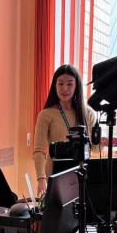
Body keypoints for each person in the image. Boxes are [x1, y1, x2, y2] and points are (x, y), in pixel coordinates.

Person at [33, 65, 97, 196]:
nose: (64, 89)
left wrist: (104, 142)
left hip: (82, 176)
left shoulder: (88, 113)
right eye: (60, 84)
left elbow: (94, 148)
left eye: (70, 84)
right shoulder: (46, 115)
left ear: (76, 86)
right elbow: (39, 150)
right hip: (55, 176)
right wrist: (41, 178)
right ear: (54, 86)